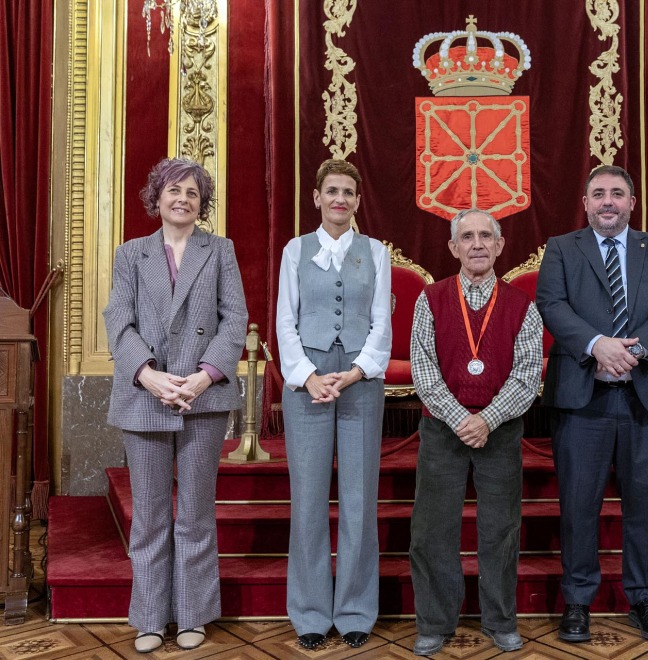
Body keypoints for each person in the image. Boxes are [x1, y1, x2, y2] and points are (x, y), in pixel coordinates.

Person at [536, 165, 648, 644]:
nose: (608, 201)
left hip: (646, 397)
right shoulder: (562, 248)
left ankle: (644, 598)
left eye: (617, 194)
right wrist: (598, 344)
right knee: (578, 505)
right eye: (599, 193)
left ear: (632, 202)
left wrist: (634, 350)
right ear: (585, 203)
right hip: (583, 399)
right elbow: (551, 303)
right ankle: (578, 601)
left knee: (644, 505)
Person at [103, 157, 248, 653]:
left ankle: (192, 614)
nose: (182, 198)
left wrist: (203, 378)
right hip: (146, 395)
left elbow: (235, 320)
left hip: (201, 399)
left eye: (191, 192)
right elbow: (118, 321)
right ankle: (148, 617)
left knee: (194, 515)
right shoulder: (130, 255)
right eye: (173, 191)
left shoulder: (220, 251)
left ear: (201, 203)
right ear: (157, 198)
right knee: (148, 516)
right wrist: (147, 374)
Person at [408, 209, 543, 656]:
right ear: (454, 248)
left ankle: (500, 620)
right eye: (468, 237)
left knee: (500, 531)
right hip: (443, 431)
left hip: (500, 431)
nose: (478, 244)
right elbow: (424, 372)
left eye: (487, 235)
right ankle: (434, 622)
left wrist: (486, 419)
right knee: (432, 532)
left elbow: (527, 375)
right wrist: (460, 418)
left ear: (501, 246)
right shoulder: (430, 299)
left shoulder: (523, 305)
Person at [275, 159, 392, 650]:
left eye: (348, 192)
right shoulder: (295, 250)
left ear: (358, 201)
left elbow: (382, 320)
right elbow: (286, 320)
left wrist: (358, 371)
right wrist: (308, 377)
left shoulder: (377, 253)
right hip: (310, 386)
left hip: (361, 383)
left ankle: (356, 610)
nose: (340, 199)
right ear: (317, 198)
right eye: (332, 191)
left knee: (360, 501)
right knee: (307, 502)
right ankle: (309, 614)